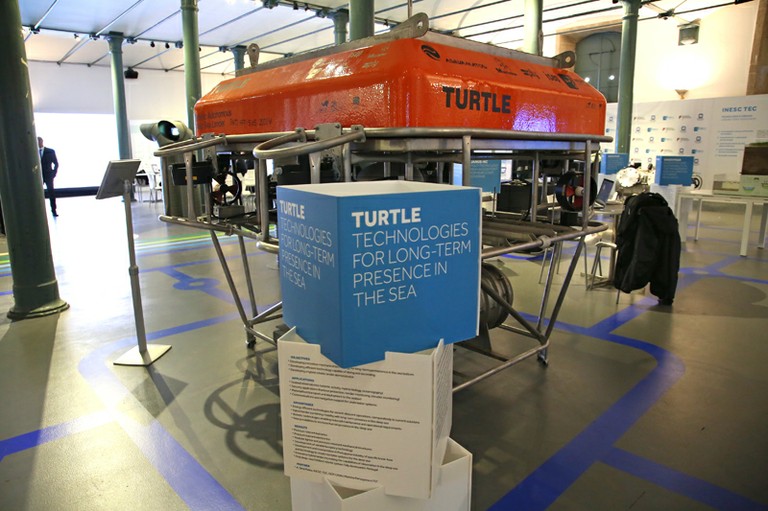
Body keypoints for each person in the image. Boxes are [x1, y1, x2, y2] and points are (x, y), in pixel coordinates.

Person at [38, 136, 59, 216]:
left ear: (42, 142)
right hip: (38, 176)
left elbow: (56, 163)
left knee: (51, 193)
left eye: (39, 142)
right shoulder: (33, 152)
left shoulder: (50, 151)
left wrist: (53, 173)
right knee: (37, 192)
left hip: (48, 175)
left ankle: (54, 210)